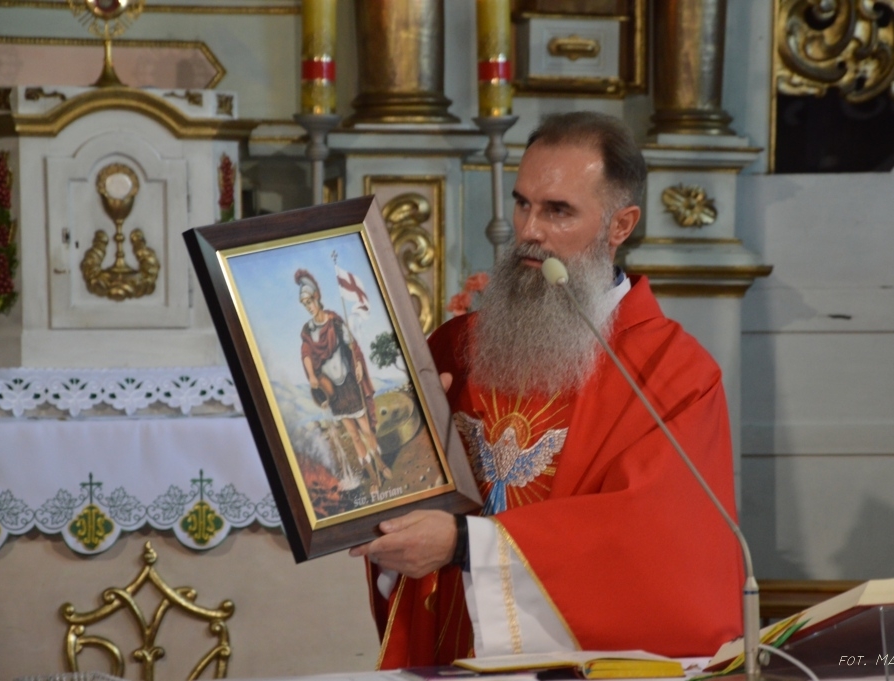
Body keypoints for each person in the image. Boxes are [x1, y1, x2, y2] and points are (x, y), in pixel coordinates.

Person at [348, 112, 743, 666]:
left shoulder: (673, 376)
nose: (529, 230)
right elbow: (397, 485)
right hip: (449, 649)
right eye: (522, 204)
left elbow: (651, 549)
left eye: (558, 211)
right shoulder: (456, 347)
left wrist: (465, 544)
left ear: (620, 225)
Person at [297, 269, 390, 492]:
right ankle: (373, 477)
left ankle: (381, 464)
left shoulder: (335, 322)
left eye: (310, 301)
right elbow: (306, 353)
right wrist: (311, 375)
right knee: (354, 436)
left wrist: (357, 364)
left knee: (366, 430)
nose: (308, 306)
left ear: (317, 297)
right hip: (334, 391)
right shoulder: (308, 331)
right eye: (305, 304)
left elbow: (352, 345)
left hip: (348, 384)